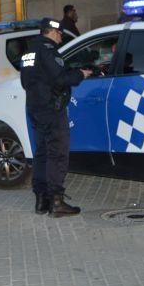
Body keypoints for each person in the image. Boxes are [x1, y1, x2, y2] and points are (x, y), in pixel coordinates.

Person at [20, 18, 91, 218]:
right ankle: (57, 202)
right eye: (59, 33)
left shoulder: (29, 51)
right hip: (52, 110)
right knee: (57, 154)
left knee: (41, 153)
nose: (60, 37)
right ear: (51, 32)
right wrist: (80, 74)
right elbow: (60, 79)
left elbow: (27, 81)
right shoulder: (48, 50)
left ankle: (41, 201)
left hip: (35, 108)